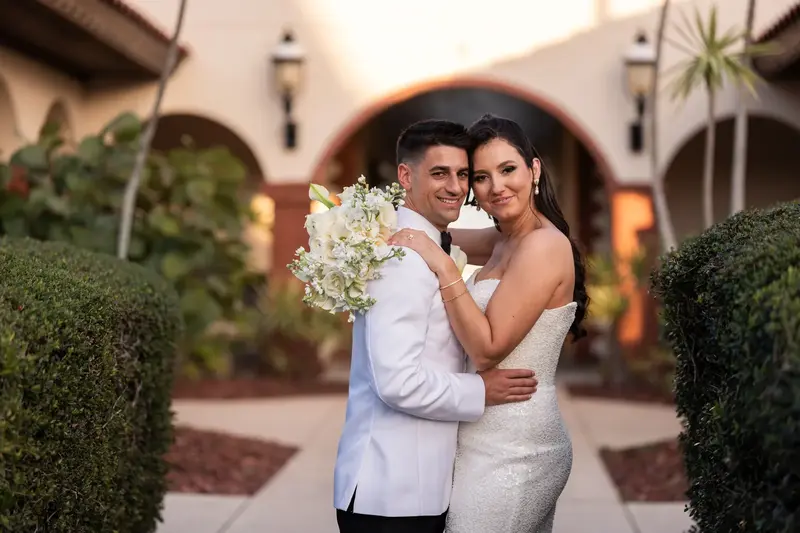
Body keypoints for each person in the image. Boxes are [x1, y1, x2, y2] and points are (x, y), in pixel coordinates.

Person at [333, 119, 539, 533]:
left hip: (413, 487)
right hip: (392, 492)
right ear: (406, 176)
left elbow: (510, 238)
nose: (455, 187)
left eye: (463, 175)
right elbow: (396, 382)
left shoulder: (427, 245)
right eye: (440, 173)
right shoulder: (404, 259)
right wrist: (480, 389)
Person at [390, 114, 588, 533]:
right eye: (481, 176)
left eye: (508, 169)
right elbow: (423, 230)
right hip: (479, 437)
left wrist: (444, 267)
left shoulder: (545, 246)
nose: (497, 186)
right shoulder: (502, 240)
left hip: (518, 446)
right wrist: (362, 226)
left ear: (534, 169)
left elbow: (487, 348)